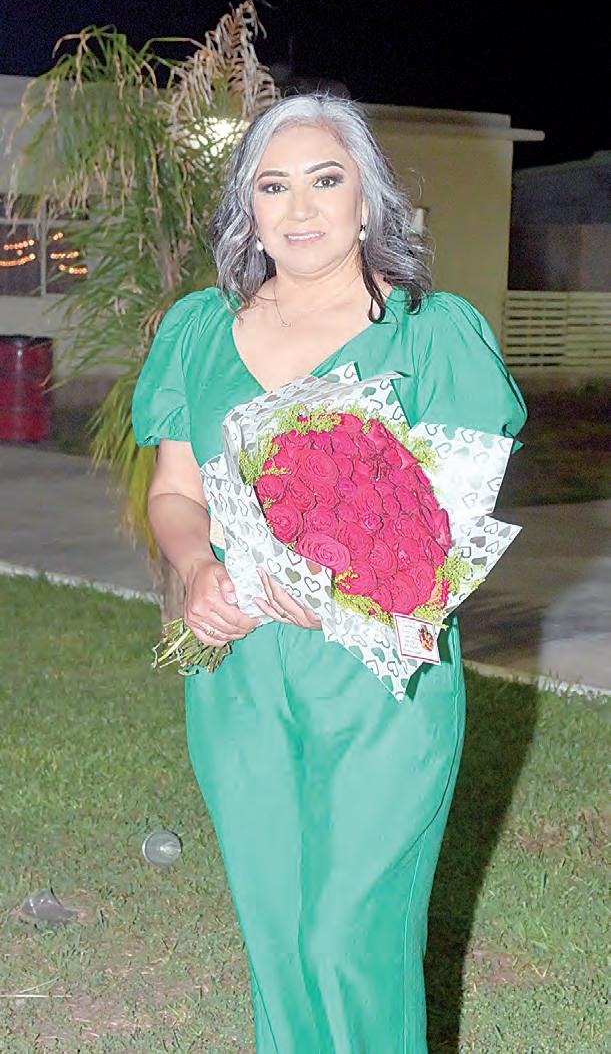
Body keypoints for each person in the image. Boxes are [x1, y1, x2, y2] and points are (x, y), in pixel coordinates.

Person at [132, 93, 527, 1053]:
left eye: (324, 179)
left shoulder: (431, 332)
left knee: (347, 937)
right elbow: (175, 491)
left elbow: (455, 524)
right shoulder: (199, 329)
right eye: (273, 185)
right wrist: (195, 567)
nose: (299, 207)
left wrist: (349, 594)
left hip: (382, 679)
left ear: (366, 200)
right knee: (277, 938)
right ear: (248, 206)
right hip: (241, 675)